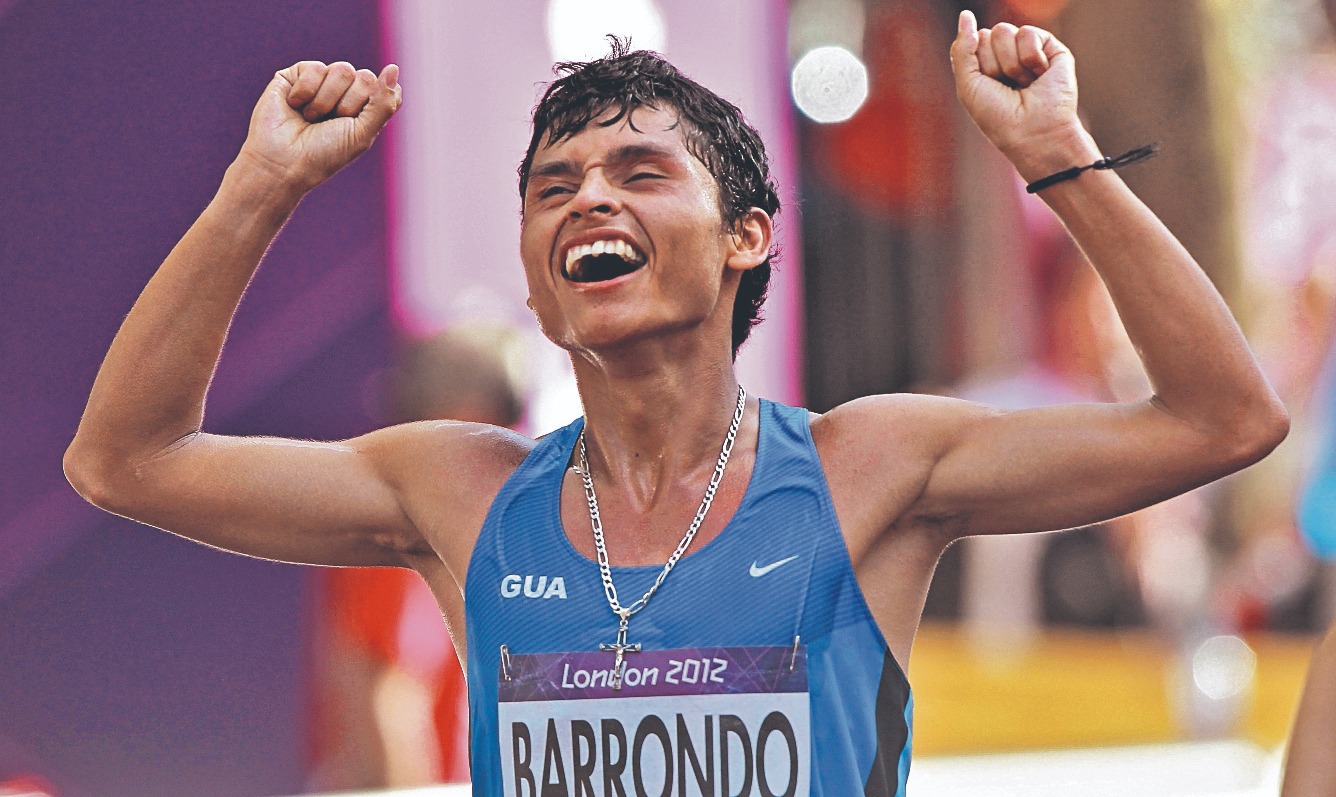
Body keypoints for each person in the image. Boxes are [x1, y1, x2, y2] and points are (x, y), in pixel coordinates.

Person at [63, 11, 1287, 794]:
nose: (588, 199)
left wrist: (1055, 156)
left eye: (640, 173)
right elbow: (127, 459)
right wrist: (256, 188)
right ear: (538, 270)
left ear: (746, 236)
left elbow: (1221, 418)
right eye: (554, 188)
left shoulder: (869, 468)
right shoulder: (459, 490)